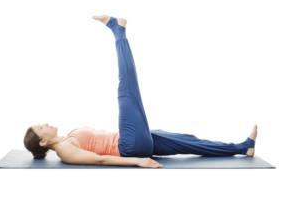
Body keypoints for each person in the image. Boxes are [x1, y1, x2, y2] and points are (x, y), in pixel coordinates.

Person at [24, 15, 257, 168]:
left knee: (189, 141)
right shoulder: (65, 150)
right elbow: (101, 159)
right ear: (43, 142)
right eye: (41, 127)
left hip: (135, 139)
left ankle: (242, 147)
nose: (46, 123)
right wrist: (138, 161)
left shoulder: (67, 138)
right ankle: (118, 29)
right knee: (126, 90)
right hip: (130, 146)